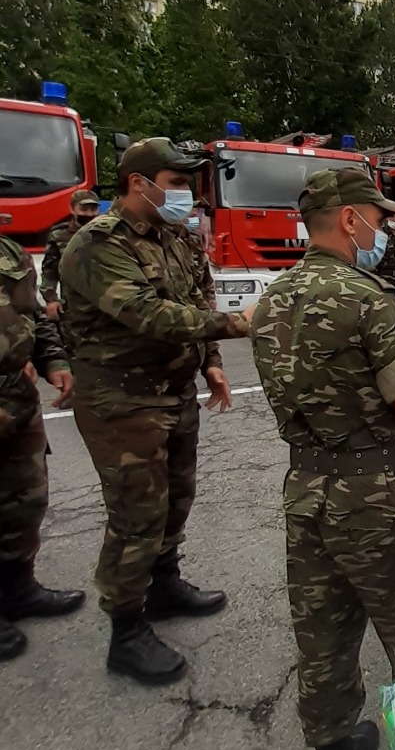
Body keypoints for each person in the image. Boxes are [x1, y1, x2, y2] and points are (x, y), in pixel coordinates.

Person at [251, 168, 395, 750]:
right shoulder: (369, 300)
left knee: (324, 640)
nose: (383, 228)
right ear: (349, 220)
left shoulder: (272, 300)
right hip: (378, 498)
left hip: (307, 493)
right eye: (378, 217)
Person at [60, 138, 250, 685]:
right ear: (138, 184)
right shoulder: (97, 244)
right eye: (177, 183)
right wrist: (240, 325)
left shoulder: (177, 238)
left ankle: (163, 586)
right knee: (136, 514)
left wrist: (212, 362)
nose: (188, 194)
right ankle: (126, 630)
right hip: (122, 400)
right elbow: (148, 314)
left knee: (175, 501)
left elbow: (198, 299)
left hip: (174, 391)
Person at [0, 217, 83, 661]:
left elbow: (31, 313)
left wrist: (54, 361)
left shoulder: (8, 252)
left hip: (17, 396)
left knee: (25, 498)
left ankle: (18, 589)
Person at [40, 189, 100, 319]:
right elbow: (50, 270)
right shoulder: (59, 235)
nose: (89, 214)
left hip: (104, 306)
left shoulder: (108, 234)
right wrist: (51, 300)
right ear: (72, 210)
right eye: (84, 209)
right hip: (73, 307)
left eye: (93, 209)